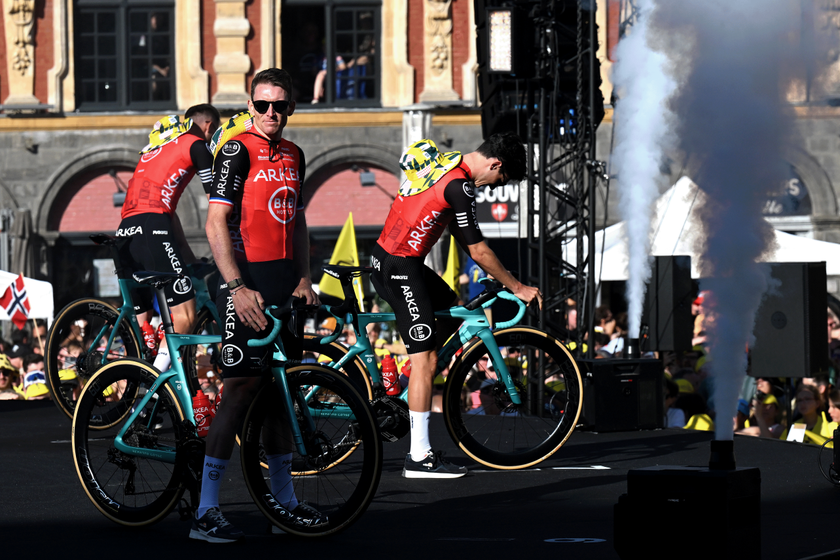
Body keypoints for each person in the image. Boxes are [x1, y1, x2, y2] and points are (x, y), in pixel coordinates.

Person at [194, 68, 322, 543]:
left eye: (280, 105)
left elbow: (300, 220)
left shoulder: (295, 154)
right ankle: (205, 511)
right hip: (246, 283)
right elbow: (214, 223)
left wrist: (305, 276)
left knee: (279, 399)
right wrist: (236, 288)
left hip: (286, 285)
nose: (272, 113)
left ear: (291, 109)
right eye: (263, 104)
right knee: (241, 393)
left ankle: (283, 505)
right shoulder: (235, 149)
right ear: (250, 106)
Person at [370, 132, 542, 479]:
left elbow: (463, 239)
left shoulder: (448, 166)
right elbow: (478, 249)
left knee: (452, 308)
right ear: (496, 163)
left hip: (395, 261)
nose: (495, 186)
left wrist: (496, 273)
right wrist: (518, 286)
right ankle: (419, 457)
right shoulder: (459, 185)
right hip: (400, 267)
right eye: (501, 178)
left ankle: (406, 386)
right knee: (428, 360)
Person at [116, 104, 220, 375]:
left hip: (125, 230)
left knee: (144, 326)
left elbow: (169, 215)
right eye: (214, 131)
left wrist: (189, 259)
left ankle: (138, 383)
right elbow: (217, 202)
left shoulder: (157, 146)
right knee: (186, 317)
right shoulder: (197, 144)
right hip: (152, 228)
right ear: (208, 125)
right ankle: (152, 382)